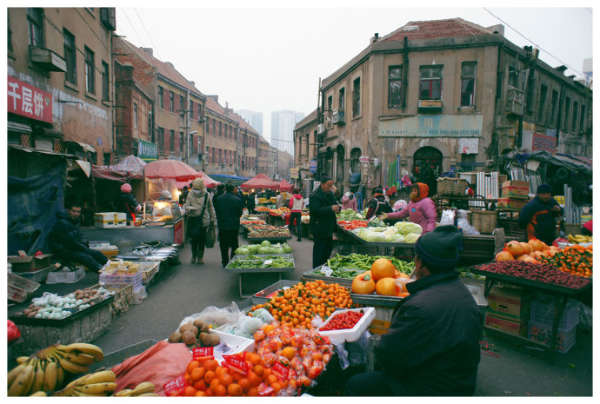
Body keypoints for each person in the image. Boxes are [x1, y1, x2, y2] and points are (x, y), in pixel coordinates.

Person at [345, 225, 482, 396]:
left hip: (431, 389)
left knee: (357, 384)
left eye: (416, 257)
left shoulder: (420, 306)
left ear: (422, 263)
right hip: (461, 383)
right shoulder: (464, 295)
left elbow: (390, 356)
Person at [47, 201, 108, 272]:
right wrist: (85, 248)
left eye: (78, 212)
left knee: (97, 253)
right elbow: (70, 243)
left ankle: (112, 266)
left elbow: (78, 238)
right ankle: (102, 272)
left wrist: (85, 244)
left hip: (72, 248)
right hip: (62, 250)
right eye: (74, 211)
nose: (76, 214)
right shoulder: (62, 223)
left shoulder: (73, 221)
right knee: (86, 257)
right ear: (69, 211)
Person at [309, 176, 340, 268]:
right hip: (319, 228)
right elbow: (315, 210)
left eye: (332, 185)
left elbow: (335, 203)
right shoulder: (315, 195)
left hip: (329, 227)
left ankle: (324, 270)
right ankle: (316, 271)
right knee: (319, 252)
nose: (330, 187)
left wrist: (338, 208)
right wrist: (330, 208)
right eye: (329, 185)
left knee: (327, 251)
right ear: (322, 184)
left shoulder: (330, 193)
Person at [183, 178, 216, 264]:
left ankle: (200, 258)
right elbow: (186, 206)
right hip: (193, 219)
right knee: (193, 240)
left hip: (203, 221)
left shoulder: (206, 195)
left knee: (201, 240)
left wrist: (212, 218)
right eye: (195, 188)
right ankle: (194, 256)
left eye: (197, 189)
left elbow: (210, 207)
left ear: (201, 187)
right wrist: (188, 209)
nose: (196, 190)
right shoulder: (190, 194)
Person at [214, 183, 243, 267]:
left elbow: (217, 212)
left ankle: (224, 261)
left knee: (223, 244)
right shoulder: (237, 199)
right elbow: (239, 213)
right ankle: (233, 260)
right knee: (234, 243)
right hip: (234, 225)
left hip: (222, 225)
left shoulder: (219, 199)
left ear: (225, 189)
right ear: (233, 189)